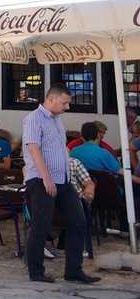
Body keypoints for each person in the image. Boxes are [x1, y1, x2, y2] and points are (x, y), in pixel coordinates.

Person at [23, 84, 101, 284]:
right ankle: (36, 271)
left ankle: (73, 270)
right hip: (42, 180)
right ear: (51, 99)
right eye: (64, 102)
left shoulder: (57, 120)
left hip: (63, 180)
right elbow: (34, 149)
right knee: (41, 226)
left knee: (79, 221)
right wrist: (46, 177)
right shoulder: (34, 119)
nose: (67, 107)